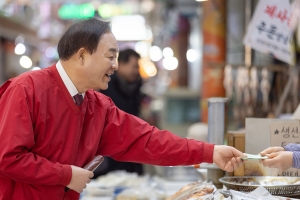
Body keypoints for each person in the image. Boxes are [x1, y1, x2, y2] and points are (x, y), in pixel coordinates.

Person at [0, 18, 245, 200]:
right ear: (82, 56)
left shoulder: (98, 106)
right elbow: (8, 157)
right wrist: (65, 175)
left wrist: (209, 152)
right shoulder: (26, 90)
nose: (116, 66)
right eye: (110, 56)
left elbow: (147, 140)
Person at [98, 49, 144, 176]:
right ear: (121, 65)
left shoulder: (136, 86)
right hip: (111, 153)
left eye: (137, 67)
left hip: (133, 147)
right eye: (134, 66)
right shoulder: (106, 86)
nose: (136, 71)